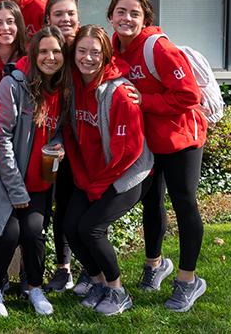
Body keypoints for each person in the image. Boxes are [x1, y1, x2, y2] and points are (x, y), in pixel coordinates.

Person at [108, 0, 208, 312]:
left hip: (181, 139)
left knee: (183, 203)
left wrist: (145, 102)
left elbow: (189, 95)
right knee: (151, 202)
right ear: (111, 16)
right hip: (148, 141)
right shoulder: (112, 50)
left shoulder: (158, 48)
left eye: (134, 13)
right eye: (121, 12)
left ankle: (188, 281)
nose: (127, 18)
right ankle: (154, 265)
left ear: (145, 19)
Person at [0, 26, 67, 317]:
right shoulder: (12, 85)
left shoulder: (63, 88)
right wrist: (15, 189)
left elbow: (61, 130)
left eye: (56, 51)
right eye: (43, 51)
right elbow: (0, 139)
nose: (50, 57)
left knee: (33, 230)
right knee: (9, 232)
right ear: (32, 53)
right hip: (4, 181)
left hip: (39, 180)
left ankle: (34, 287)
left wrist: (58, 144)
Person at [63, 25, 152, 316]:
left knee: (91, 229)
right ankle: (98, 282)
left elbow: (128, 152)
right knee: (69, 227)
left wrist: (98, 185)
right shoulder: (73, 87)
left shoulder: (120, 93)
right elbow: (72, 139)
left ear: (106, 56)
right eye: (82, 51)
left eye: (95, 52)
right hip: (90, 175)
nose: (88, 58)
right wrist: (83, 178)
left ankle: (117, 290)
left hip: (125, 175)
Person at [41, 0, 85, 293]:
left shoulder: (88, 47)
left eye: (71, 14)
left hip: (89, 142)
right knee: (62, 202)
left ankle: (90, 267)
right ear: (48, 18)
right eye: (59, 14)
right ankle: (63, 267)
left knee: (90, 205)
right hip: (58, 143)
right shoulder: (48, 52)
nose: (66, 19)